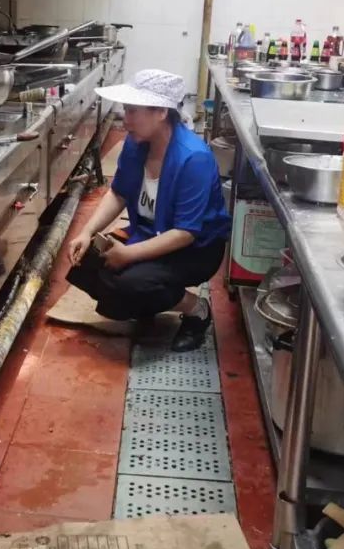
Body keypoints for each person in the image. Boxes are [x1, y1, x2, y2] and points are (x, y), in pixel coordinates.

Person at [67, 69, 232, 352]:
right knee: (87, 264)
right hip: (151, 232)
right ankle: (147, 301)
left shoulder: (194, 158)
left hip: (195, 249)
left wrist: (128, 254)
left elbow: (185, 233)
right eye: (126, 110)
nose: (125, 119)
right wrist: (87, 232)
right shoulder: (136, 145)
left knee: (129, 283)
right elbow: (119, 193)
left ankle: (197, 310)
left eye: (133, 111)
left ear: (161, 112)